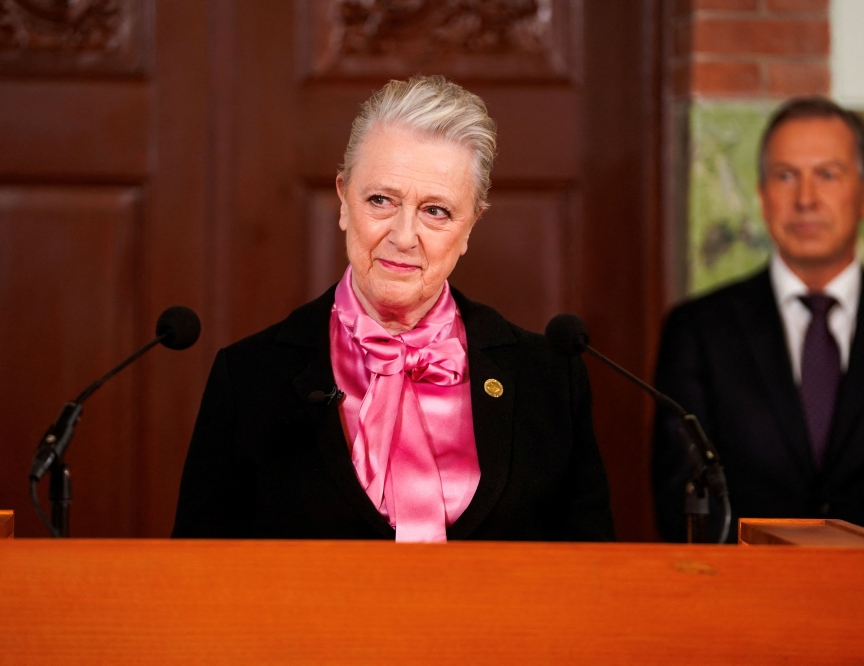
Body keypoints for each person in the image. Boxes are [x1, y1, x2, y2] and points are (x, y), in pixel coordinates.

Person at [174, 75, 614, 543]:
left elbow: (589, 576)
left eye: (436, 211)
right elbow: (200, 579)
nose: (404, 237)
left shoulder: (547, 378)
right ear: (344, 200)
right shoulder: (247, 378)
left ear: (470, 226)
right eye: (381, 200)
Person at [652, 97, 864, 665]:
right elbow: (683, 498)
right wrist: (778, 609)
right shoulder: (699, 329)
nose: (806, 198)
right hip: (745, 636)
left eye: (827, 174)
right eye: (786, 176)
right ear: (762, 196)